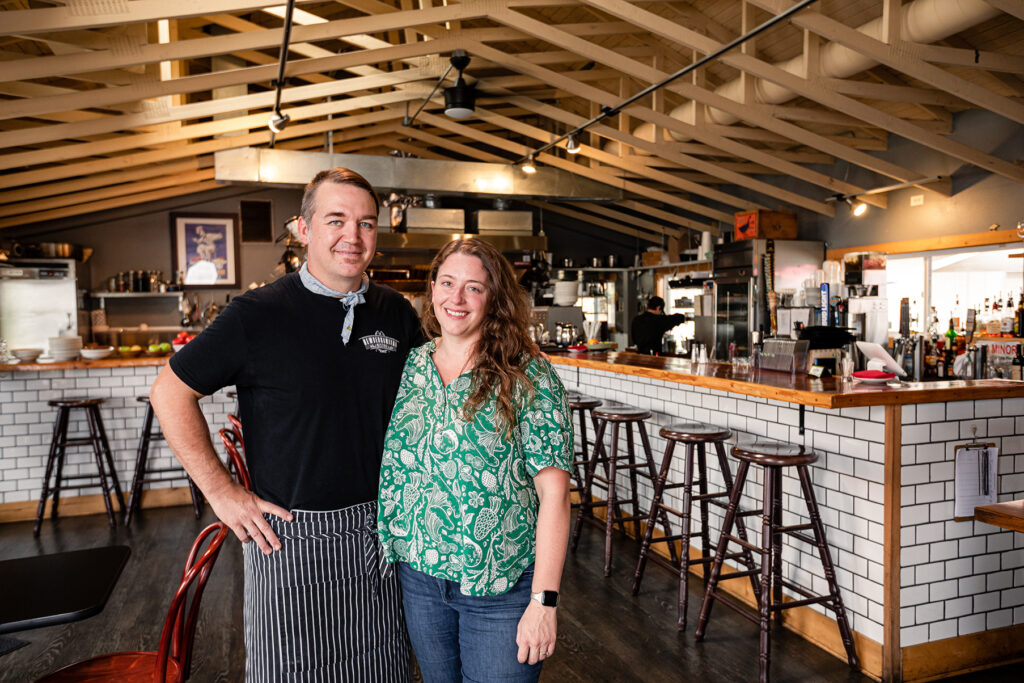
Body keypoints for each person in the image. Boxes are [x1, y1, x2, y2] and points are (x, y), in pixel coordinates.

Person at [150, 168, 423, 681]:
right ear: (303, 229)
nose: (353, 236)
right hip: (291, 542)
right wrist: (222, 491)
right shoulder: (257, 314)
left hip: (381, 537)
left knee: (384, 672)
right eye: (336, 220)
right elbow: (169, 391)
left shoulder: (395, 312)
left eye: (366, 223)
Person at [377, 238, 573, 682]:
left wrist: (544, 602)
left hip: (500, 586)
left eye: (474, 288)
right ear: (432, 288)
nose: (457, 298)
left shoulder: (528, 373)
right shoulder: (412, 366)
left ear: (495, 298)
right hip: (420, 578)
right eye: (447, 283)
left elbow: (555, 496)